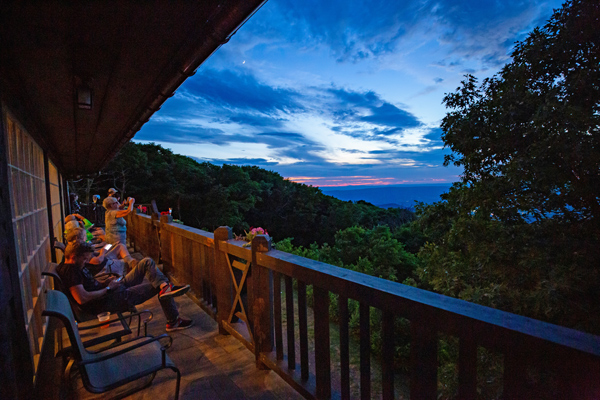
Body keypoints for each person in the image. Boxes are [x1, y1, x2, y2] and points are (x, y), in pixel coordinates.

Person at [57, 241, 193, 332]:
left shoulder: (72, 265)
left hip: (111, 290)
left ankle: (165, 287)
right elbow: (82, 298)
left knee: (146, 262)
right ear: (74, 256)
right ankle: (173, 319)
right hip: (110, 300)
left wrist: (107, 283)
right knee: (157, 286)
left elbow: (90, 287)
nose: (86, 261)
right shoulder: (71, 271)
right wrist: (108, 288)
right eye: (85, 259)